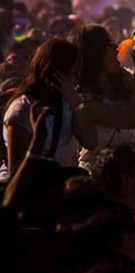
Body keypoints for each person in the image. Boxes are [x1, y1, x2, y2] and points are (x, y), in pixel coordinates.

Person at [68, 24, 135, 171]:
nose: (116, 48)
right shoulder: (83, 98)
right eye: (109, 44)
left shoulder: (120, 78)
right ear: (94, 52)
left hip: (128, 168)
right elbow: (132, 120)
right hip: (100, 172)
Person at [2, 38, 97, 180]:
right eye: (73, 72)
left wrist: (77, 103)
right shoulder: (22, 108)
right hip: (22, 188)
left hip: (51, 185)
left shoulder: (67, 105)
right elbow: (17, 169)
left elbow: (91, 142)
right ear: (57, 72)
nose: (77, 78)